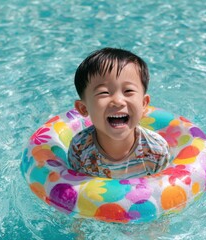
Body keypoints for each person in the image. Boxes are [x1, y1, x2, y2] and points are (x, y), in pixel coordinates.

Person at [68, 47, 171, 179]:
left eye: (128, 91)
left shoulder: (156, 150)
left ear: (144, 103)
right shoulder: (79, 150)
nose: (118, 101)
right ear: (83, 108)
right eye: (104, 92)